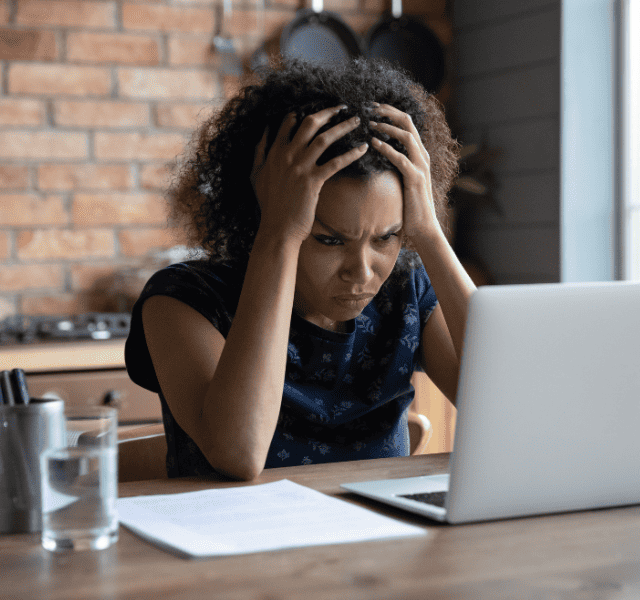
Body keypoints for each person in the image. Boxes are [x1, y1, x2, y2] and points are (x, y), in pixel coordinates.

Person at [124, 57, 476, 481]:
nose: (362, 272)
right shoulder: (184, 301)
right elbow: (239, 453)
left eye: (386, 237)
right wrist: (277, 237)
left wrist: (430, 234)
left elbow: (516, 410)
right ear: (267, 212)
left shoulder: (407, 289)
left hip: (375, 542)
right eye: (329, 240)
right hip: (238, 543)